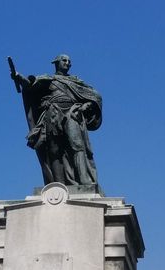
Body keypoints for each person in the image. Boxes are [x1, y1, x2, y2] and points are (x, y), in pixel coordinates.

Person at [11, 54, 102, 186]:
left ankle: (85, 181)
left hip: (72, 114)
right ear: (56, 63)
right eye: (64, 60)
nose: (67, 63)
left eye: (69, 61)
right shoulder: (48, 80)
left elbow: (95, 97)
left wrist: (86, 105)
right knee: (54, 150)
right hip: (53, 115)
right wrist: (18, 76)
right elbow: (30, 85)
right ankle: (58, 185)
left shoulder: (76, 82)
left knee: (77, 146)